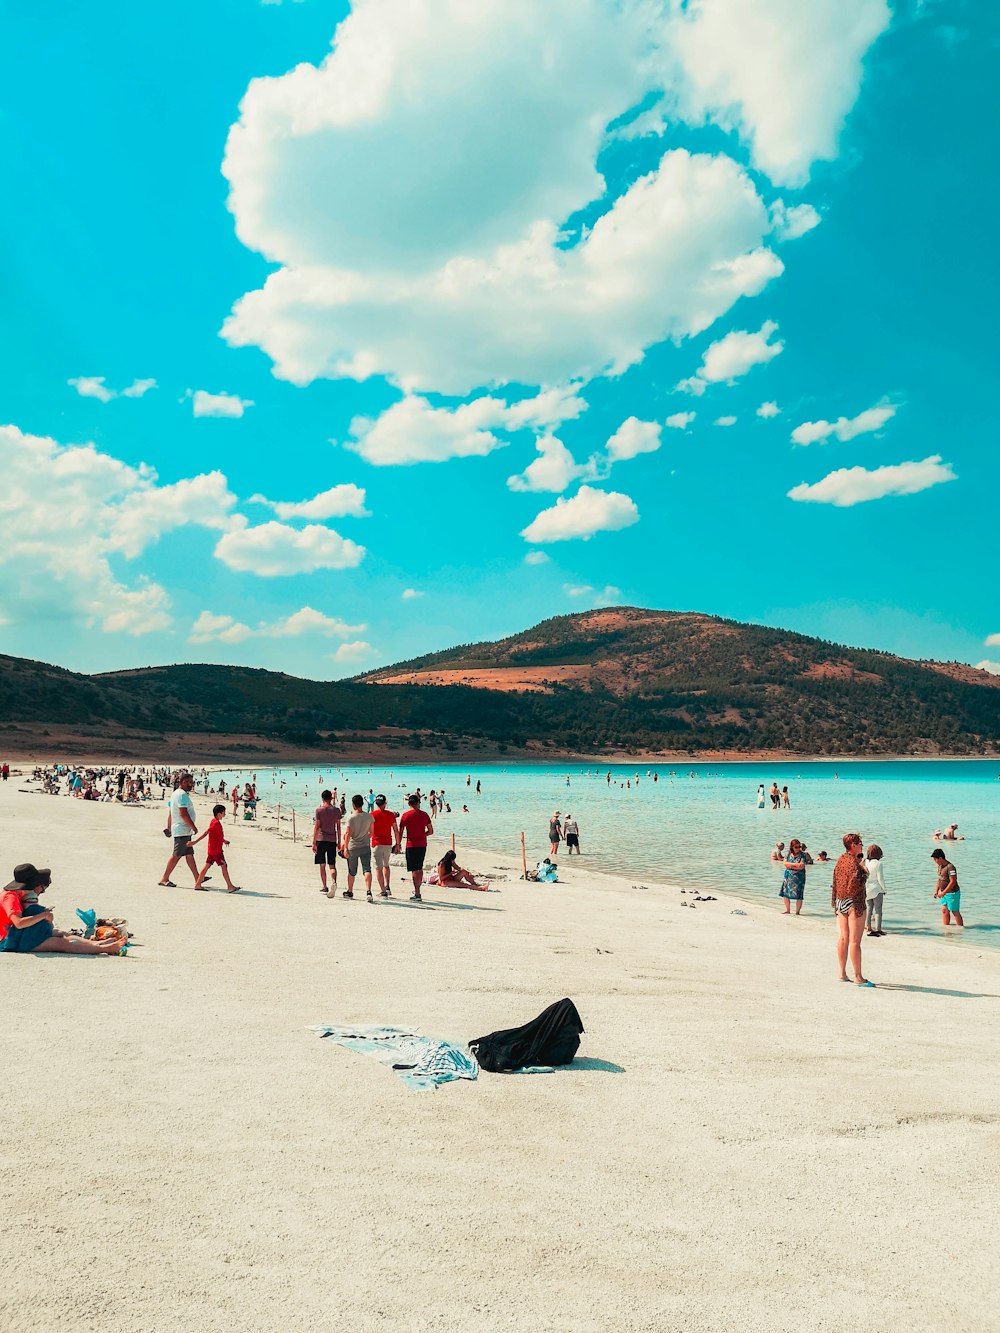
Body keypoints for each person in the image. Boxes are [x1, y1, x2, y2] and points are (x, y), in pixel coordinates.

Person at [1, 864, 124, 955]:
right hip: (10, 940)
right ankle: (105, 949)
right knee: (62, 943)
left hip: (17, 933)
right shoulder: (10, 898)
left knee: (59, 933)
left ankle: (94, 944)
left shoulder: (17, 894)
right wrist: (43, 915)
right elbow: (19, 923)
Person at [832, 833, 873, 986]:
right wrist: (864, 871)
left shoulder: (841, 860)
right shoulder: (855, 864)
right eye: (860, 843)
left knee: (843, 937)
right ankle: (858, 977)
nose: (862, 845)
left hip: (840, 901)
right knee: (855, 941)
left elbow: (835, 881)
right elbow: (857, 882)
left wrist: (835, 903)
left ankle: (842, 973)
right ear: (854, 845)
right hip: (854, 903)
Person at [159, 772, 201, 887]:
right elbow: (183, 813)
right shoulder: (181, 795)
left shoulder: (175, 794)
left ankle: (198, 878)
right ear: (183, 782)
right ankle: (164, 878)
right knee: (176, 855)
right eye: (189, 782)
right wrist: (193, 826)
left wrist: (169, 827)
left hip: (182, 829)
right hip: (182, 829)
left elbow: (171, 812)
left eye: (192, 782)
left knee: (189, 855)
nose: (191, 785)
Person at [191, 804, 241, 893]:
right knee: (224, 866)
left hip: (212, 850)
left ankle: (198, 884)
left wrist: (224, 841)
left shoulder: (213, 821)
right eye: (223, 813)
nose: (224, 814)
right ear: (219, 813)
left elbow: (216, 836)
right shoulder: (215, 823)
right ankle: (230, 886)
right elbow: (206, 833)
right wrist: (194, 842)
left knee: (207, 866)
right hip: (216, 851)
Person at [399, 793, 433, 901]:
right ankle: (418, 891)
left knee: (414, 869)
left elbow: (400, 832)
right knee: (419, 867)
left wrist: (398, 844)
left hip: (411, 844)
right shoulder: (424, 815)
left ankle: (417, 892)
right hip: (422, 844)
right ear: (418, 803)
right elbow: (431, 831)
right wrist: (424, 834)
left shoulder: (405, 815)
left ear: (408, 803)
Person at [341, 795, 374, 901]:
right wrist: (365, 837)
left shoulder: (351, 817)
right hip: (365, 846)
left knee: (352, 871)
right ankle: (368, 891)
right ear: (363, 804)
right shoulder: (369, 817)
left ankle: (350, 891)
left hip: (353, 847)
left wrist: (345, 848)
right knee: (367, 869)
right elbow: (372, 833)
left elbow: (348, 834)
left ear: (353, 804)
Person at [312, 789, 341, 896]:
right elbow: (338, 827)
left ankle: (324, 887)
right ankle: (334, 882)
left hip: (321, 839)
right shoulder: (336, 810)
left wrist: (313, 842)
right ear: (331, 798)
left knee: (322, 865)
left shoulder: (319, 810)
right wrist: (339, 841)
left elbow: (316, 827)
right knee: (332, 865)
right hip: (332, 840)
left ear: (322, 798)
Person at [370, 794, 400, 898]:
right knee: (386, 865)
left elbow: (369, 831)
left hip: (376, 843)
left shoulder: (372, 815)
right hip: (388, 843)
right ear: (385, 804)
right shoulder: (391, 815)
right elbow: (396, 830)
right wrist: (398, 844)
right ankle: (387, 886)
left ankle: (383, 891)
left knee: (378, 868)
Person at [931, 849, 964, 927]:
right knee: (944, 910)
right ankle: (946, 928)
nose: (935, 861)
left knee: (955, 911)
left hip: (952, 893)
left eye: (935, 859)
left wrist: (943, 892)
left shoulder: (951, 867)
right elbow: (940, 879)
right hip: (944, 893)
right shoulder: (940, 867)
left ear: (941, 858)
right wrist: (936, 890)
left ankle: (961, 929)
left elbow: (953, 882)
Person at [778, 839, 807, 915]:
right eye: (796, 847)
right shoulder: (788, 853)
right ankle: (788, 910)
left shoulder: (803, 854)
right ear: (792, 847)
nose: (798, 848)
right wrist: (795, 865)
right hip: (788, 876)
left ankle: (797, 912)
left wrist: (790, 865)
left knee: (799, 894)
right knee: (785, 892)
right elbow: (784, 863)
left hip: (799, 877)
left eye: (799, 846)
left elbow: (801, 866)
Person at [864, 844, 886, 936]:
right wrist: (884, 889)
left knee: (869, 909)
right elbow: (880, 878)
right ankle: (878, 928)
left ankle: (868, 926)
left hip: (867, 888)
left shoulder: (865, 862)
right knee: (878, 910)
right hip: (877, 889)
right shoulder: (878, 864)